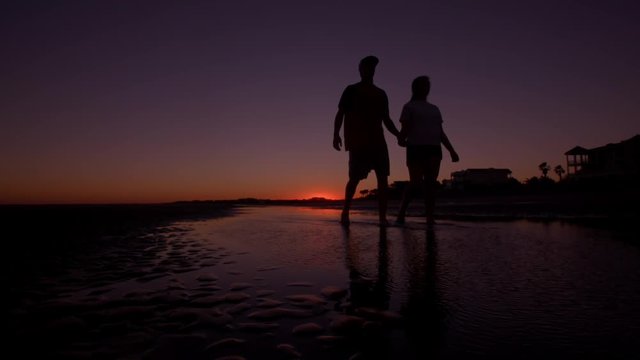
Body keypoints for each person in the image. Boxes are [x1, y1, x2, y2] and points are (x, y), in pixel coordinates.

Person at [333, 55, 402, 226]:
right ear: (360, 70)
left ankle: (382, 217)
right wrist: (335, 134)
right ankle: (346, 211)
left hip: (378, 141)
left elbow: (387, 119)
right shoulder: (351, 89)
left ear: (374, 70)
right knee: (354, 178)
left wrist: (398, 134)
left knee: (383, 179)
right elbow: (340, 113)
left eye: (371, 67)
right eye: (366, 67)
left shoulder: (381, 93)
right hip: (358, 141)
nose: (369, 70)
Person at [396, 76, 459, 225]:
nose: (426, 88)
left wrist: (451, 150)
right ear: (415, 88)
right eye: (423, 85)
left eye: (427, 85)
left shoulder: (434, 108)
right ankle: (401, 212)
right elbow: (404, 128)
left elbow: (440, 132)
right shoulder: (409, 106)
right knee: (415, 182)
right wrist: (401, 140)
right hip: (415, 148)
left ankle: (430, 217)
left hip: (434, 149)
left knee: (430, 184)